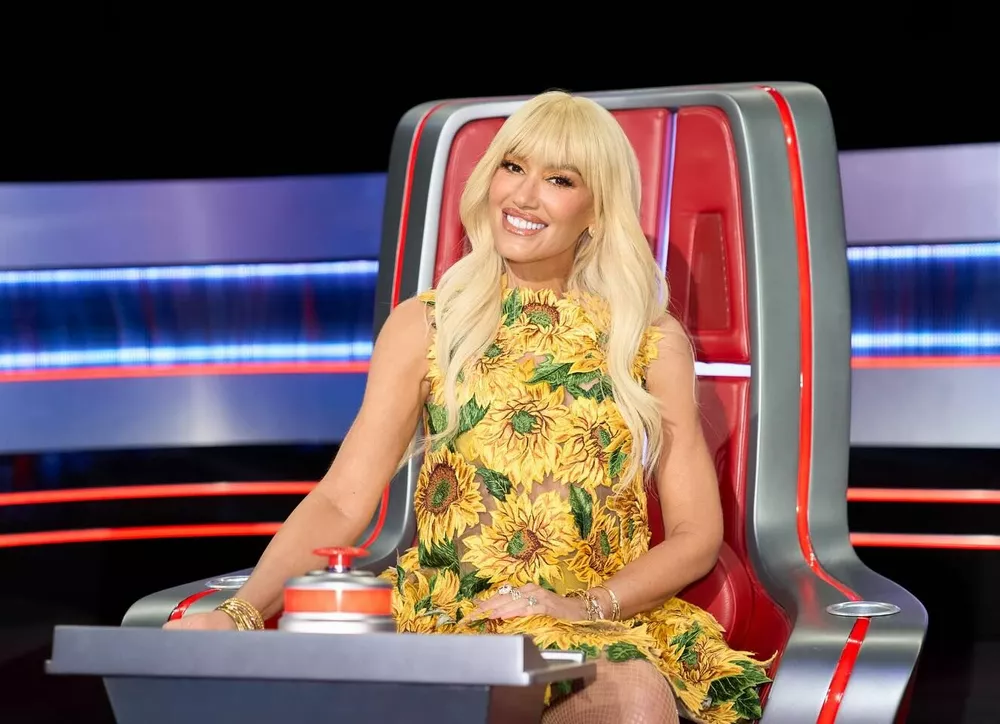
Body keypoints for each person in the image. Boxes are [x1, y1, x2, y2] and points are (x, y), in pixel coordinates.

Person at [165, 91, 771, 724]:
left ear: (597, 209)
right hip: (450, 619)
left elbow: (696, 536)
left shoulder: (646, 340)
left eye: (559, 180)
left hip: (589, 626)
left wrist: (588, 606)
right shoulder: (427, 326)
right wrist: (241, 612)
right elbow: (343, 500)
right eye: (514, 167)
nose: (524, 196)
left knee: (631, 700)